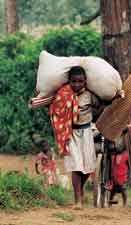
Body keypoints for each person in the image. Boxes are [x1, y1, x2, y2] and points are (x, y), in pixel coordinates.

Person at [50, 66, 99, 209]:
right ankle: (78, 200)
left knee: (88, 167)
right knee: (76, 166)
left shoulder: (89, 95)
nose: (77, 84)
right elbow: (56, 110)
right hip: (70, 133)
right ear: (69, 81)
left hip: (86, 132)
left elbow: (99, 107)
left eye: (80, 81)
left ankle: (80, 191)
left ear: (85, 81)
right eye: (74, 81)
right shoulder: (62, 94)